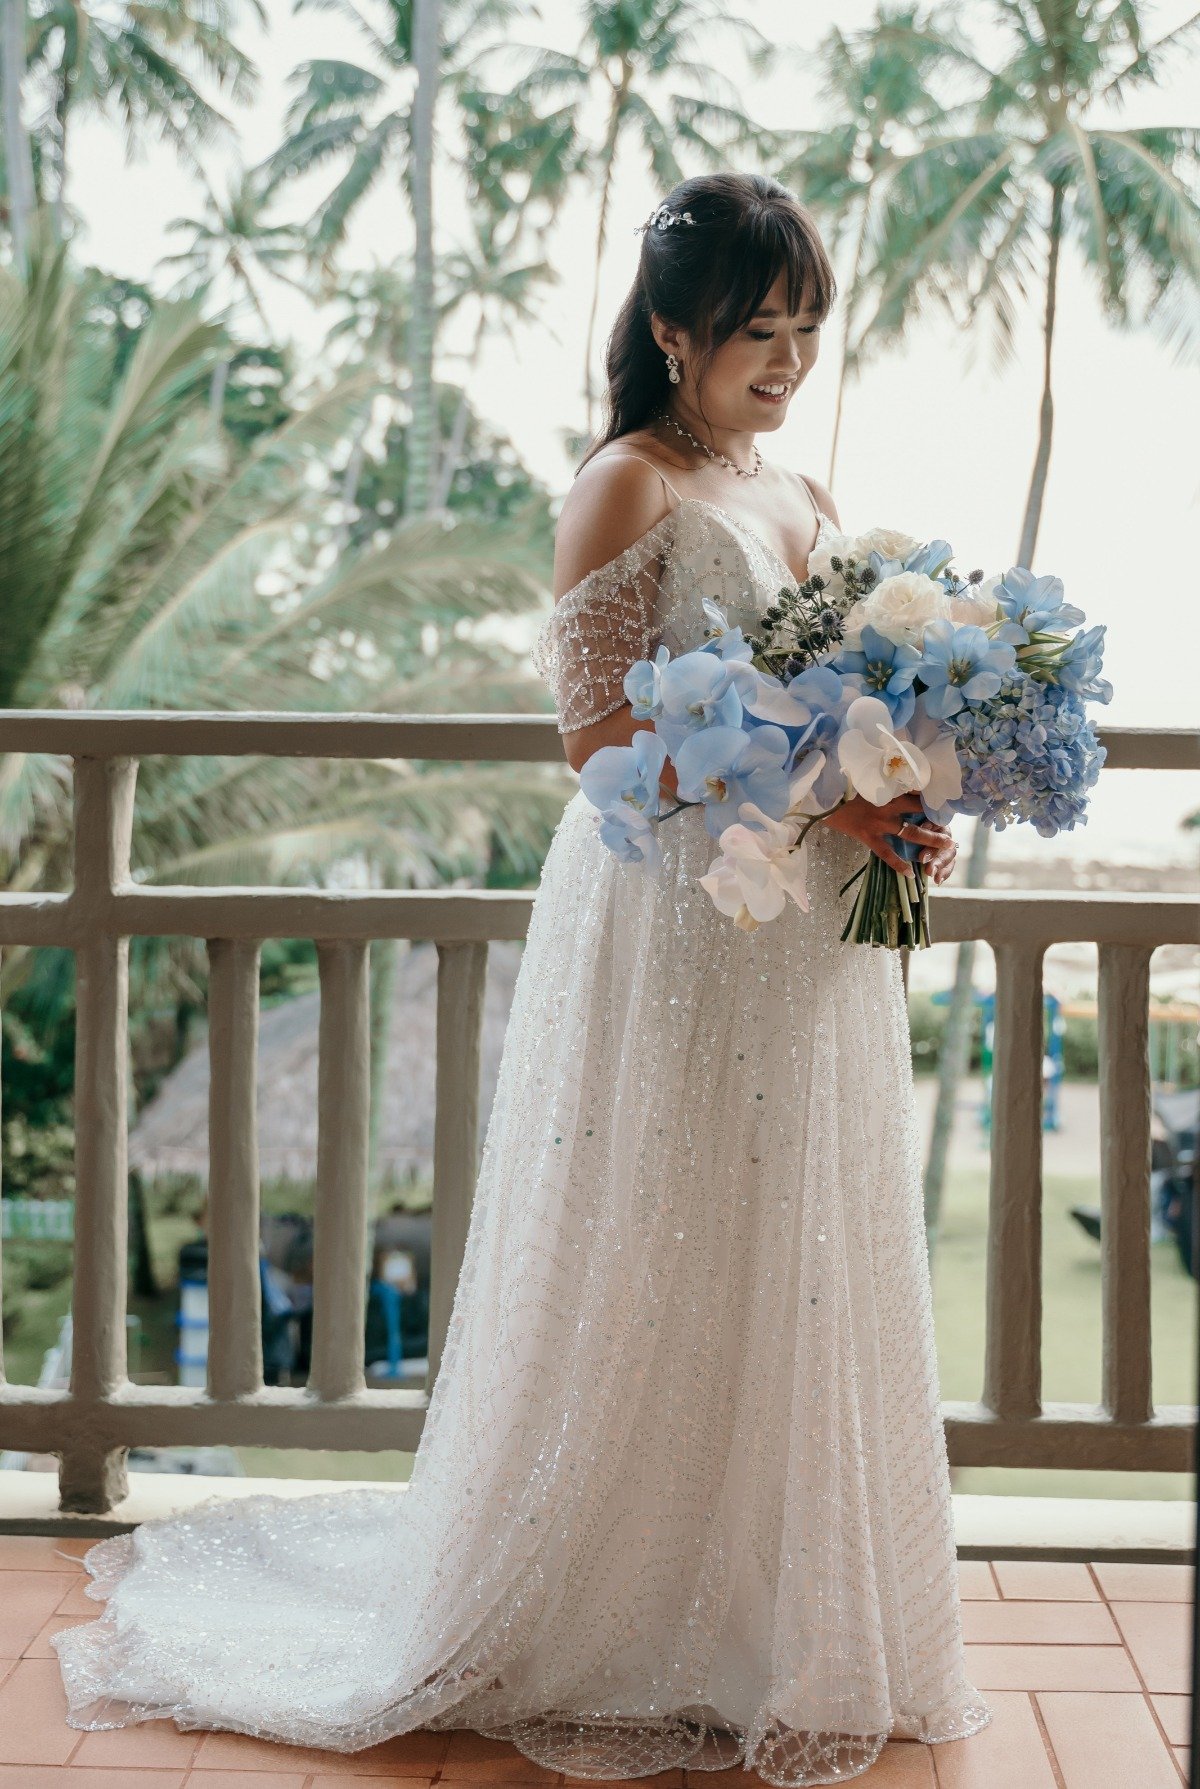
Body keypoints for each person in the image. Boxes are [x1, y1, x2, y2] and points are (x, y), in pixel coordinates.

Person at [51, 171, 992, 1786]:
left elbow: (849, 703)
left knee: (796, 1239)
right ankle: (620, 1613)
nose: (787, 357)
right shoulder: (622, 487)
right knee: (655, 1224)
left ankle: (770, 1617)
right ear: (673, 331)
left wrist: (898, 802)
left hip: (803, 944)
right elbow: (596, 741)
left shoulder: (807, 497)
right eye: (758, 329)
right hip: (674, 925)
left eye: (807, 328)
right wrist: (812, 791)